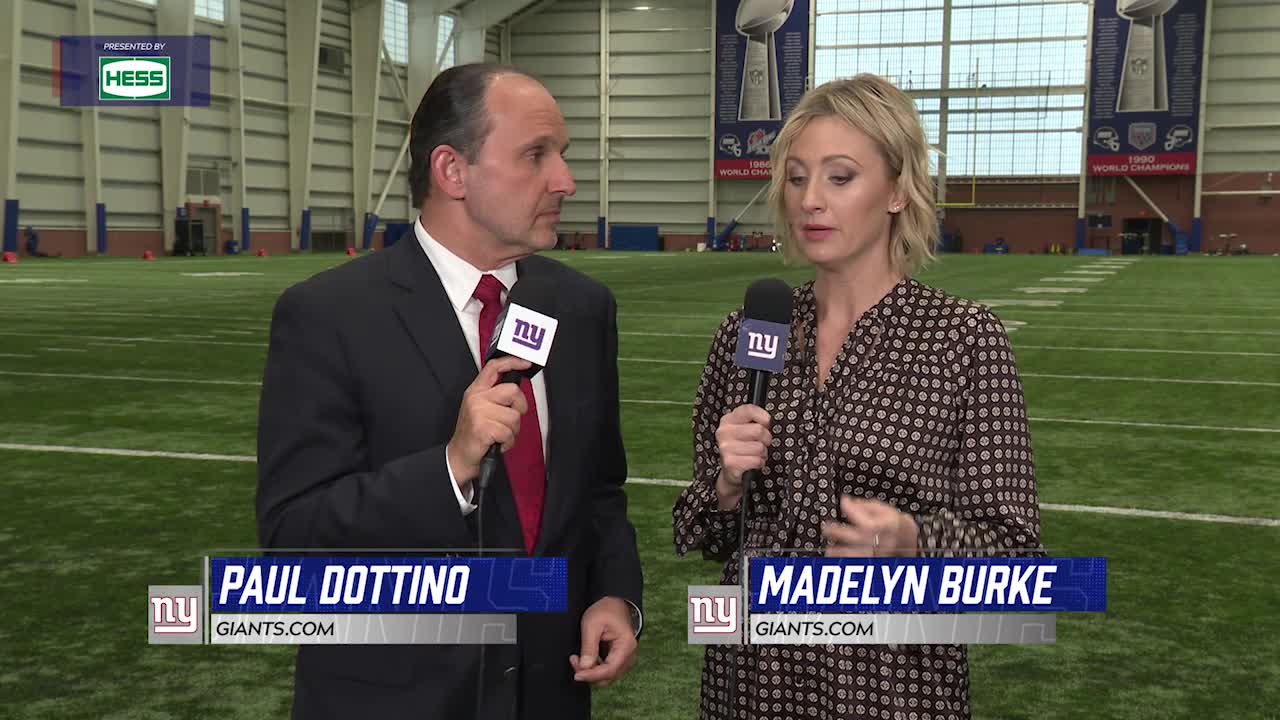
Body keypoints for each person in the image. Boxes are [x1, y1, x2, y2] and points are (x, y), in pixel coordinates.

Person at [257, 63, 643, 720]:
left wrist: (614, 592)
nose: (565, 181)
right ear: (452, 171)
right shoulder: (328, 315)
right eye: (536, 155)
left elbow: (599, 490)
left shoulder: (581, 308)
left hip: (549, 695)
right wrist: (451, 466)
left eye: (562, 155)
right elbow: (293, 537)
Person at [673, 74, 1042, 720]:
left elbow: (1016, 556)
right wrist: (726, 486)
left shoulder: (963, 338)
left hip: (892, 686)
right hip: (750, 684)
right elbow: (698, 529)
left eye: (839, 178)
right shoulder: (747, 331)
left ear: (898, 190)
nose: (810, 200)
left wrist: (914, 540)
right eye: (796, 178)